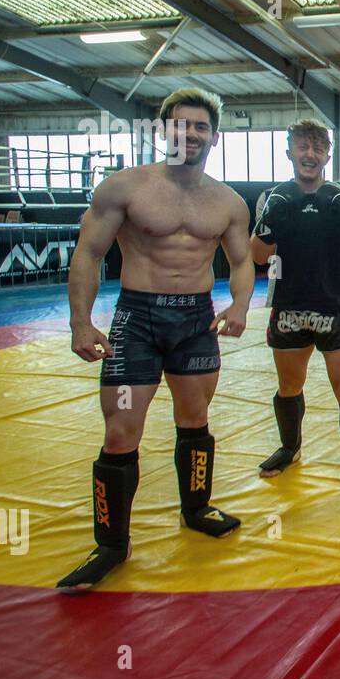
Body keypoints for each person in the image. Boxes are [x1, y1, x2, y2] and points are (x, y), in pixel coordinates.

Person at [59, 87, 252, 591]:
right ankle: (110, 546)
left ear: (215, 135)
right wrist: (81, 321)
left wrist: (240, 305)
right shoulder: (124, 188)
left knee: (195, 418)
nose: (190, 134)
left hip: (195, 322)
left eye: (200, 126)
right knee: (121, 430)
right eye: (180, 125)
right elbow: (89, 254)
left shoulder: (227, 201)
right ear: (162, 130)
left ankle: (197, 507)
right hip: (137, 321)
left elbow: (241, 261)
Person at [249, 117, 340, 503]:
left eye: (317, 147)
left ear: (327, 154)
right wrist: (267, 220)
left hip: (335, 306)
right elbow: (258, 256)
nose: (310, 154)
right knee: (289, 386)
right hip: (287, 306)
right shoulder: (272, 196)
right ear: (289, 152)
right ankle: (290, 448)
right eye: (302, 147)